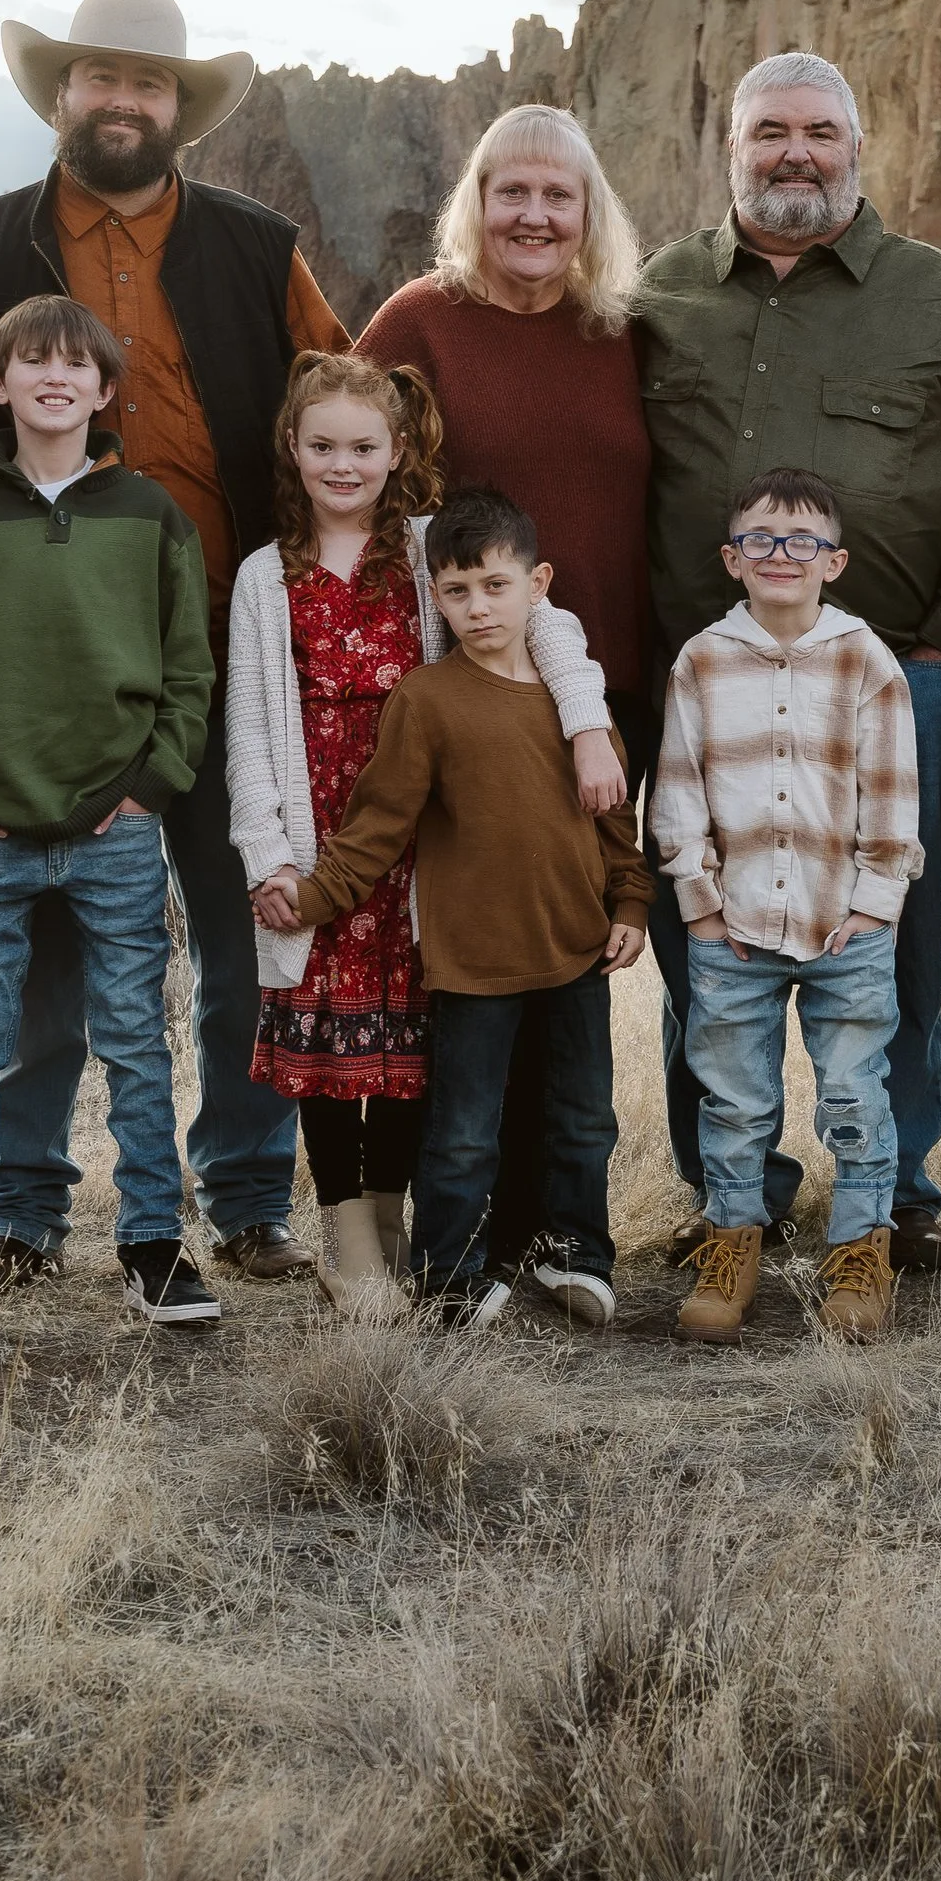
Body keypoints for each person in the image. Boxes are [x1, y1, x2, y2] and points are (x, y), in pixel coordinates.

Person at [0, 0, 354, 1285]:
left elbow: (343, 397)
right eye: (99, 78)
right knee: (43, 954)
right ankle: (22, 1210)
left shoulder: (254, 243)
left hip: (229, 652)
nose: (122, 100)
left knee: (242, 939)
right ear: (61, 95)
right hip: (40, 667)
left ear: (182, 110)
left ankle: (247, 1198)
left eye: (148, 82)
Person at [629, 54, 941, 1273]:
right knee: (707, 932)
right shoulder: (662, 291)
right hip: (707, 689)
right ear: (730, 146)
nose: (795, 152)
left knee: (885, 934)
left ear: (858, 146)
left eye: (819, 131)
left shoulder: (935, 294)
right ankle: (729, 1194)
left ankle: (894, 1193)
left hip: (890, 680)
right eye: (770, 133)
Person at [226, 352, 611, 1314]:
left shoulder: (434, 545)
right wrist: (268, 852)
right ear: (294, 449)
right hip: (320, 837)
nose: (343, 464)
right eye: (323, 446)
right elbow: (247, 724)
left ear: (398, 451)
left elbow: (549, 626)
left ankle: (397, 1223)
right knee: (319, 1032)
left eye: (364, 446)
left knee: (408, 1030)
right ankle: (347, 1236)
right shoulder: (267, 572)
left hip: (433, 831)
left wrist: (588, 723)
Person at [0, 296, 216, 1337]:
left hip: (116, 828)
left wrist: (151, 785)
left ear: (106, 391)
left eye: (76, 363)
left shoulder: (151, 514)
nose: (53, 375)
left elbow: (186, 671)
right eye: (30, 359)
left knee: (136, 1042)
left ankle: (153, 1242)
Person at [357, 103, 643, 1265]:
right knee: (474, 963)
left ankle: (554, 1227)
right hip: (463, 694)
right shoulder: (419, 321)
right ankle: (464, 1234)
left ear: (587, 214)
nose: (532, 214)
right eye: (508, 191)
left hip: (607, 694)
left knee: (570, 949)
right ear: (474, 203)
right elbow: (346, 464)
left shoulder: (623, 329)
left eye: (556, 195)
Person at [272, 489, 655, 1326]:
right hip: (471, 961)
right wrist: (311, 897)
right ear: (433, 595)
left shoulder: (577, 704)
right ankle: (451, 1274)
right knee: (463, 1130)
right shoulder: (428, 699)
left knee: (583, 1119)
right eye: (455, 591)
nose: (477, 608)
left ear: (537, 583)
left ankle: (576, 1252)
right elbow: (377, 826)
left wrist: (631, 901)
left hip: (577, 949)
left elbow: (615, 818)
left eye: (494, 585)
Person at [652, 468, 922, 1352]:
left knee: (853, 1093)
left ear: (833, 561)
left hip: (843, 924)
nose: (781, 554)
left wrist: (878, 903)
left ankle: (858, 1249)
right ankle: (733, 1245)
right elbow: (679, 787)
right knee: (732, 1100)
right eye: (761, 540)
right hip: (733, 928)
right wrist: (696, 902)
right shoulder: (701, 660)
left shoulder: (865, 660)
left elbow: (890, 792)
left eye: (802, 541)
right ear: (733, 558)